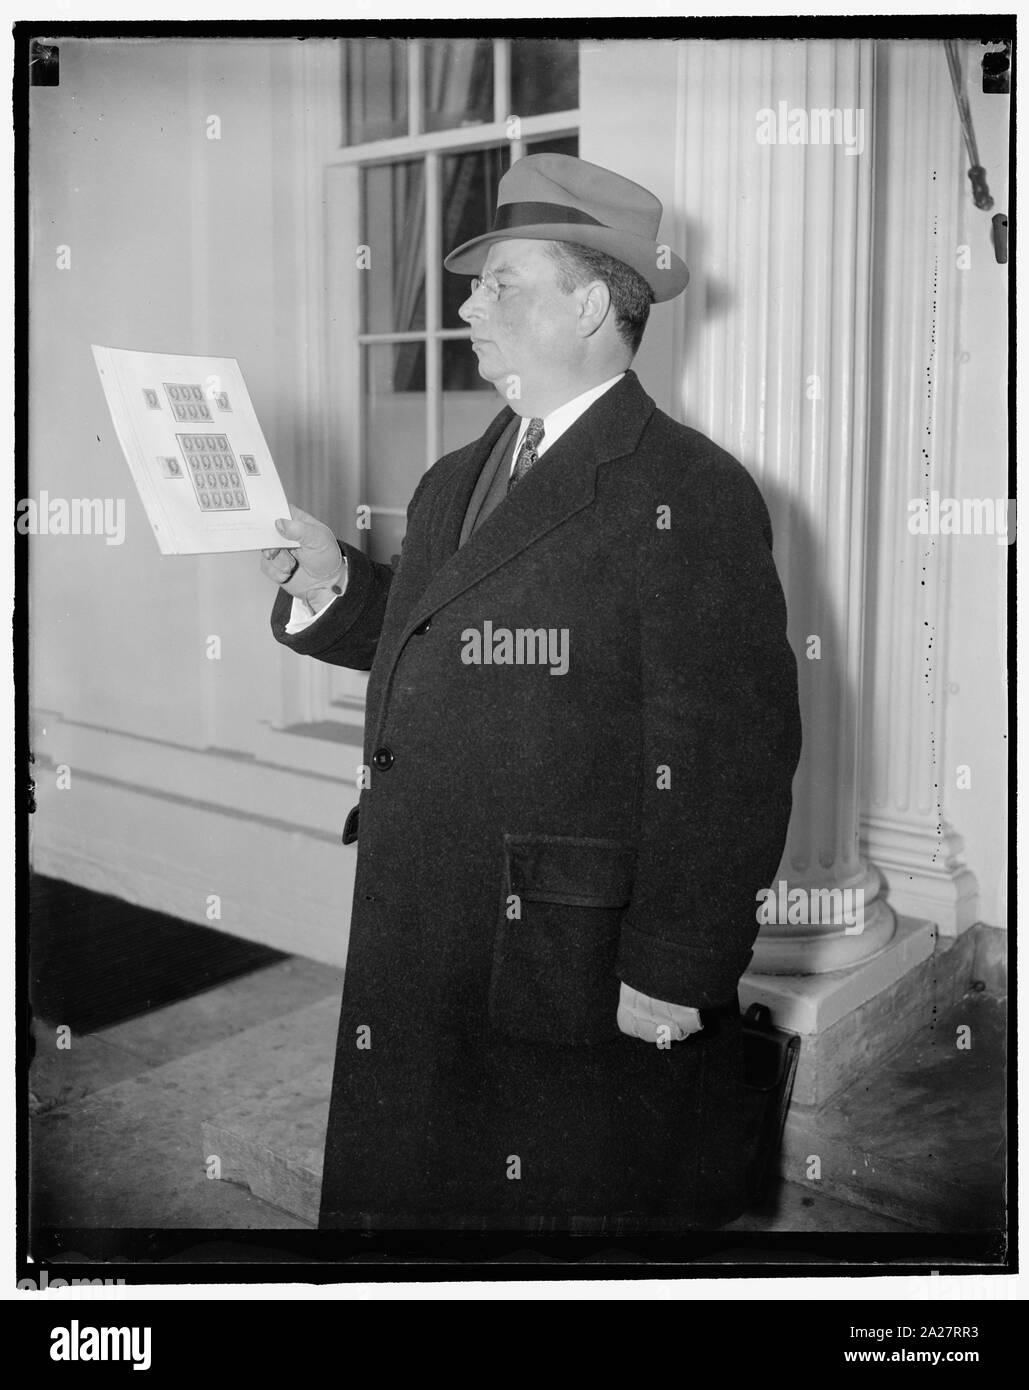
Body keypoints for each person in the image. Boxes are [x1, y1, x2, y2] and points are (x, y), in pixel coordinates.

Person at [261, 154, 802, 1231]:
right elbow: (452, 640)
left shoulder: (688, 490)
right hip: (425, 918)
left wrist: (675, 970)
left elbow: (729, 758)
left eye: (500, 282)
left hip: (564, 958)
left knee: (549, 1215)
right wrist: (337, 590)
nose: (466, 304)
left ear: (594, 302)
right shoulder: (458, 474)